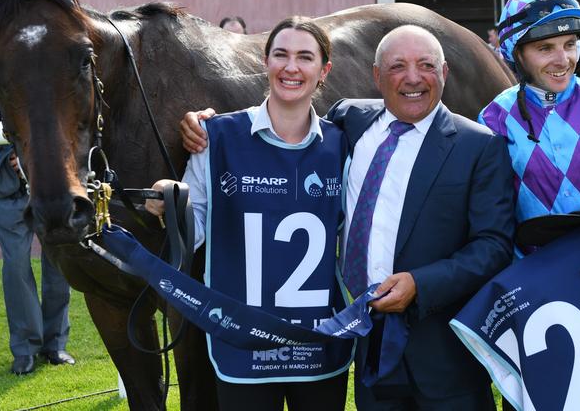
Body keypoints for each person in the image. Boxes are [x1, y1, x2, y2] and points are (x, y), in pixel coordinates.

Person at [181, 24, 516, 409]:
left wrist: (422, 285)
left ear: (444, 73)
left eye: (426, 65)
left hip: (441, 355)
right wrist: (203, 125)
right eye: (397, 66)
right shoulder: (349, 122)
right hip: (366, 347)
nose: (412, 78)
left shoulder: (479, 145)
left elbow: (493, 246)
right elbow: (286, 124)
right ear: (376, 76)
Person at [148, 17, 353, 411]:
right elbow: (197, 230)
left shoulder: (344, 145)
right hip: (243, 342)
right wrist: (172, 207)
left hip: (318, 343)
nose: (291, 67)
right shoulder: (217, 137)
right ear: (266, 60)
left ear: (324, 70)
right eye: (281, 55)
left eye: (305, 57)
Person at [0, 68, 75, 375]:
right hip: (6, 188)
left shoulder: (52, 65)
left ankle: (55, 344)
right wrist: (10, 150)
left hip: (51, 184)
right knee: (15, 266)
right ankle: (26, 348)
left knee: (58, 263)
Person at [479, 0, 580, 240]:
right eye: (545, 48)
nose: (562, 59)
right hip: (534, 269)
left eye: (569, 44)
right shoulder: (494, 118)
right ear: (516, 54)